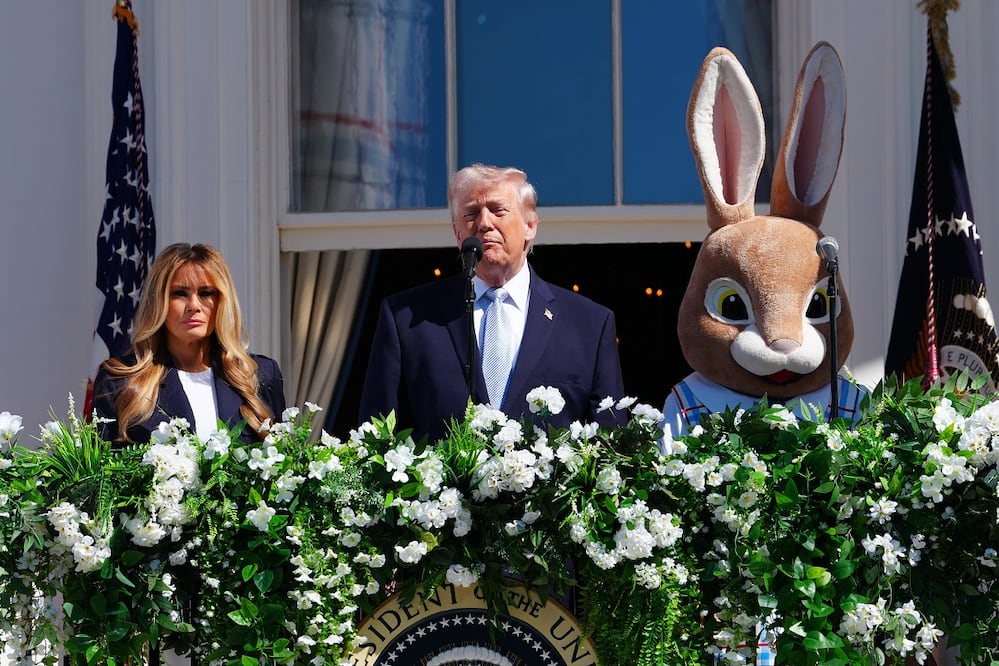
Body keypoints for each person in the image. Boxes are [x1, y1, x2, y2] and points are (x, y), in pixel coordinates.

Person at [359, 164, 624, 443]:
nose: (484, 223)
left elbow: (610, 446)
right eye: (471, 213)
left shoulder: (588, 325)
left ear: (530, 226)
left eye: (498, 210)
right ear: (458, 234)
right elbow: (377, 442)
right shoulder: (407, 319)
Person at [92, 242, 286, 444]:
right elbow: (104, 471)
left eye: (206, 293)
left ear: (222, 301)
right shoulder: (119, 381)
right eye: (180, 293)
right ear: (159, 302)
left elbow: (283, 464)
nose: (194, 306)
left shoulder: (259, 374)